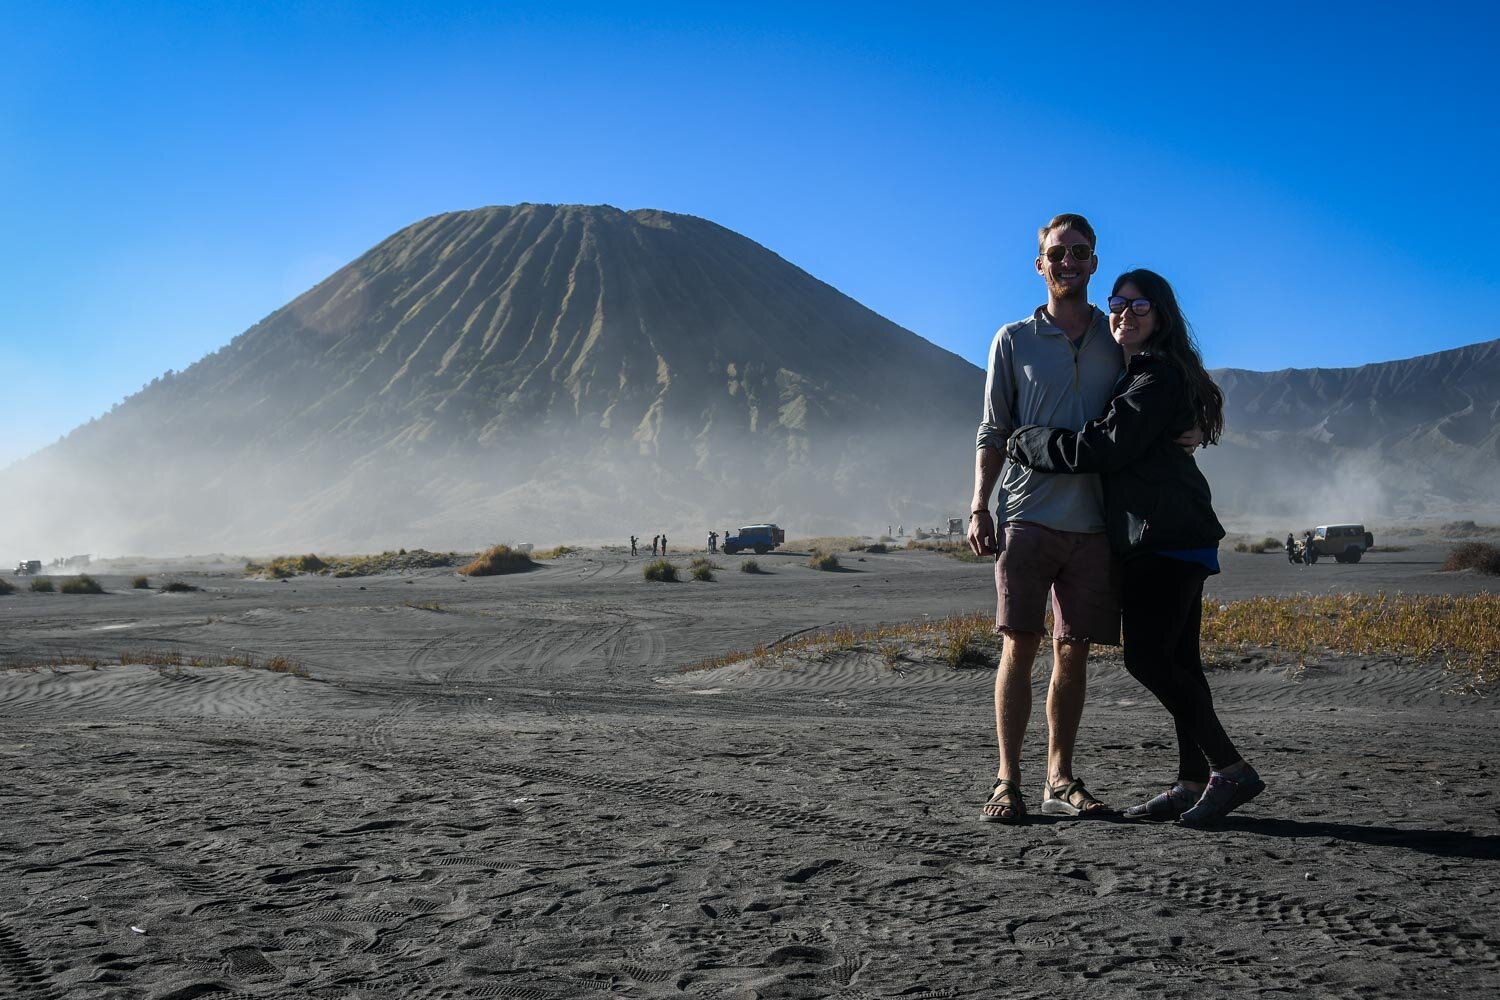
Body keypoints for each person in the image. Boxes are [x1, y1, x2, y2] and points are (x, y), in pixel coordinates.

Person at [1004, 269, 1264, 826]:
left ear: (1162, 314)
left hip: (1162, 537)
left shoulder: (1154, 376)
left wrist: (1028, 440)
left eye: (1139, 306)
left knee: (1147, 659)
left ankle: (1229, 768)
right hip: (1175, 534)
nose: (1124, 314)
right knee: (1182, 665)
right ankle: (1193, 780)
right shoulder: (1149, 373)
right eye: (1117, 304)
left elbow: (1103, 446)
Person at [968, 213, 1126, 824]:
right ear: (1040, 265)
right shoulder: (1013, 339)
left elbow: (1156, 400)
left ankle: (1059, 778)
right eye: (1056, 254)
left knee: (1074, 651)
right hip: (1026, 514)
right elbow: (993, 428)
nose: (1068, 263)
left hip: (1094, 521)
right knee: (1019, 645)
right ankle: (1007, 779)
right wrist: (979, 505)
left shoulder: (1118, 337)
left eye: (1079, 253)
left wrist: (1193, 427)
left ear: (1094, 263)